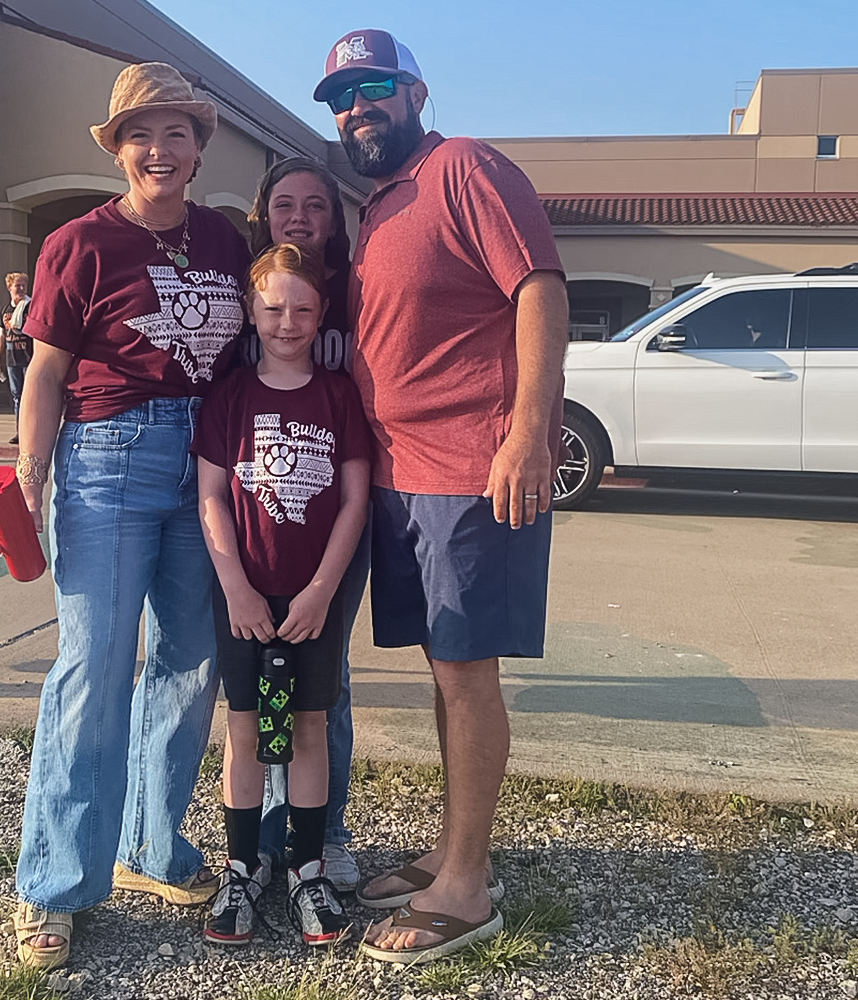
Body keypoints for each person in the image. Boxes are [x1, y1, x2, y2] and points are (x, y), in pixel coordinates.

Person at [0, 62, 252, 968]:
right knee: (93, 666)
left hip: (204, 466)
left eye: (176, 132)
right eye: (141, 134)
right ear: (119, 149)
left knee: (190, 661)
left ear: (198, 146)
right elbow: (47, 372)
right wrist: (32, 476)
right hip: (109, 459)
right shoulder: (80, 243)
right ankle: (52, 886)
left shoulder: (222, 240)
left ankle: (150, 846)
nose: (159, 149)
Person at [313, 30, 569, 963]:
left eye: (373, 89)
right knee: (440, 667)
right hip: (401, 473)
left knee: (467, 673)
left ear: (415, 91)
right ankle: (458, 853)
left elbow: (539, 288)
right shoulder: (379, 202)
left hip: (471, 469)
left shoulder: (466, 166)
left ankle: (467, 888)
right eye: (340, 98)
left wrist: (531, 432)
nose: (356, 110)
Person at [194, 243, 369, 946]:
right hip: (245, 595)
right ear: (250, 310)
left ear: (320, 313)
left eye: (301, 309)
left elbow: (355, 502)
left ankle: (306, 870)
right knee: (244, 729)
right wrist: (235, 585)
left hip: (312, 600)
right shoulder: (231, 395)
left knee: (307, 728)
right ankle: (241, 868)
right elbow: (210, 495)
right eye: (273, 307)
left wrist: (324, 590)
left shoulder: (337, 394)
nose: (287, 321)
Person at [245, 159, 365, 893]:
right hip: (259, 509)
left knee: (328, 682)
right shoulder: (249, 289)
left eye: (315, 206)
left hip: (337, 501)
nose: (299, 217)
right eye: (284, 204)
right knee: (255, 687)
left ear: (334, 220)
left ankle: (326, 833)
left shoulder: (356, 294)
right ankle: (260, 842)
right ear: (263, 214)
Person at [0, 272, 33, 444]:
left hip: (29, 359)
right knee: (17, 397)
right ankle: (19, 432)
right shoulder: (5, 310)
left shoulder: (31, 307)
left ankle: (31, 432)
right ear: (10, 288)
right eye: (18, 285)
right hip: (12, 360)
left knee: (30, 397)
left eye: (24, 285)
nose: (21, 288)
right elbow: (2, 336)